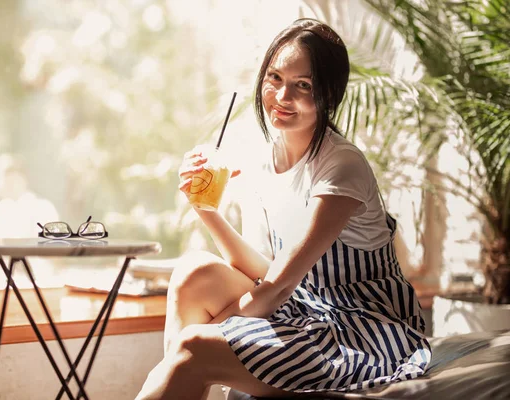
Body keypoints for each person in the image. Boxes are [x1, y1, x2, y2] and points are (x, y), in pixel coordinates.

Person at [136, 18, 431, 400]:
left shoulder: (341, 166)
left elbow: (278, 285)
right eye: (274, 78)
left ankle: (182, 371)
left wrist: (204, 336)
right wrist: (205, 208)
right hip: (305, 309)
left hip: (363, 331)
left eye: (302, 85)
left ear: (329, 95)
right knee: (192, 271)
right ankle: (181, 379)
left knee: (193, 347)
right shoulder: (263, 161)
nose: (281, 96)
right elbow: (261, 270)